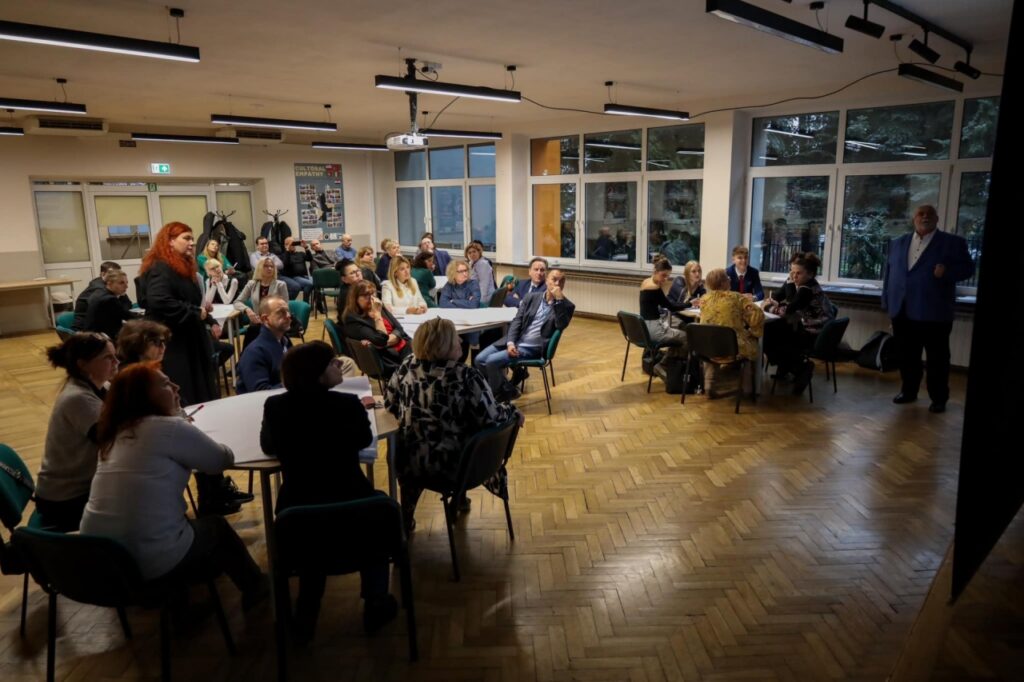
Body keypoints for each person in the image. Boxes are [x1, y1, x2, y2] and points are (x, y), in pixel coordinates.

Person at [80, 363, 267, 609]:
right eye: (166, 384)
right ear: (145, 397)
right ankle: (256, 588)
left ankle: (182, 604)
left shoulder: (115, 432)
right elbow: (220, 460)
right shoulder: (167, 428)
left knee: (169, 520)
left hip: (99, 559)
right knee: (216, 527)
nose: (177, 387)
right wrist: (185, 425)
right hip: (146, 561)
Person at [260, 341, 396, 641]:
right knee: (381, 512)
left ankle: (306, 610)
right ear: (318, 373)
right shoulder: (347, 404)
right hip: (355, 511)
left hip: (298, 516)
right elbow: (364, 440)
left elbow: (268, 446)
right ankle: (375, 601)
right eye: (333, 363)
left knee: (314, 545)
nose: (339, 365)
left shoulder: (275, 406)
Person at [138, 221, 249, 514]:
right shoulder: (162, 267)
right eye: (186, 238)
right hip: (179, 352)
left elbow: (188, 302)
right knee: (195, 414)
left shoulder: (179, 266)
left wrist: (206, 317)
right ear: (169, 240)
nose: (191, 243)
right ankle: (211, 494)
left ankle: (215, 488)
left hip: (191, 346)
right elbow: (158, 301)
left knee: (205, 413)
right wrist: (195, 312)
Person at [385, 317, 523, 531]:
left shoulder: (407, 366)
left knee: (429, 439)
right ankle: (457, 497)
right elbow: (492, 418)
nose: (460, 341)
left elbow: (389, 403)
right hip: (455, 467)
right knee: (467, 433)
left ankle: (407, 517)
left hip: (411, 461)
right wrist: (513, 412)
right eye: (454, 338)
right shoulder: (465, 376)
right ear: (442, 345)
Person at [882, 204, 974, 413]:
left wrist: (947, 272)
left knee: (937, 359)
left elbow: (968, 268)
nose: (925, 217)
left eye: (929, 214)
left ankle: (939, 398)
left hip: (935, 312)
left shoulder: (952, 243)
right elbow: (888, 274)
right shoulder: (898, 242)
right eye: (920, 214)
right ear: (914, 218)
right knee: (907, 356)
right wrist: (887, 301)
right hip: (902, 311)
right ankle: (908, 391)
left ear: (937, 218)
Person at [34, 332, 119, 531]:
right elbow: (115, 441)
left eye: (115, 356)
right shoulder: (78, 398)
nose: (116, 362)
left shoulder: (99, 386)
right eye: (108, 357)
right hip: (64, 499)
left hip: (78, 488)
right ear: (83, 364)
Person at [475, 269, 575, 401]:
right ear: (546, 280)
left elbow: (561, 325)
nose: (557, 284)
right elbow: (517, 321)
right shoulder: (531, 298)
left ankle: (495, 397)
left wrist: (559, 301)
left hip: (532, 348)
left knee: (491, 361)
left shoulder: (567, 306)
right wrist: (510, 342)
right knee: (479, 359)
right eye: (554, 279)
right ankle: (506, 390)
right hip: (515, 341)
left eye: (561, 281)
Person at [763, 252, 834, 395]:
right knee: (771, 329)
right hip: (806, 327)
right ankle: (787, 366)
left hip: (815, 334)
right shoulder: (799, 282)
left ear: (810, 274)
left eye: (798, 273)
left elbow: (789, 309)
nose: (794, 276)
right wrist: (774, 300)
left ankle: (800, 368)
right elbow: (779, 295)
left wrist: (769, 307)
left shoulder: (807, 289)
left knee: (770, 334)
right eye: (792, 272)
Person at [699, 268, 765, 398]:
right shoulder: (736, 297)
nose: (729, 279)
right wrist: (753, 330)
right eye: (727, 277)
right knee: (752, 343)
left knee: (715, 344)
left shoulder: (704, 299)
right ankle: (747, 388)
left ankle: (708, 386)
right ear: (722, 283)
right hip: (732, 347)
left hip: (708, 346)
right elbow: (757, 316)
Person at [342, 280, 411, 377]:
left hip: (404, 347)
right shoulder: (353, 320)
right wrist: (377, 315)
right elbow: (381, 340)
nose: (372, 298)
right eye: (366, 295)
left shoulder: (378, 307)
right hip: (391, 359)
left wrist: (393, 338)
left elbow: (399, 328)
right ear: (355, 299)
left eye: (373, 294)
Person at [639, 257, 691, 383]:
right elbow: (671, 306)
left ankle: (666, 364)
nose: (665, 279)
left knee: (678, 334)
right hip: (654, 331)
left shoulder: (646, 282)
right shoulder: (654, 288)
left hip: (645, 328)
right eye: (663, 275)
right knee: (687, 337)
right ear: (655, 271)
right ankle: (663, 365)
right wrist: (690, 304)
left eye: (668, 276)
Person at [236, 296, 292, 394]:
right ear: (265, 319)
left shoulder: (285, 342)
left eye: (288, 311)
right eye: (281, 312)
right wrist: (295, 384)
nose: (288, 316)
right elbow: (260, 393)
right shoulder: (254, 352)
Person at [235, 256, 289, 346]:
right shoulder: (252, 284)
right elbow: (237, 301)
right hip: (256, 323)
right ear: (259, 268)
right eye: (266, 266)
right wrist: (248, 310)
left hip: (274, 323)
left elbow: (285, 307)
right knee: (250, 343)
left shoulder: (280, 285)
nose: (269, 268)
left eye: (272, 266)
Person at [439, 260, 482, 362]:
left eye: (466, 270)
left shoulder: (473, 284)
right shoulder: (449, 285)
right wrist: (465, 302)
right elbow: (443, 304)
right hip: (455, 321)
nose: (465, 273)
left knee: (470, 339)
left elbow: (473, 305)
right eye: (461, 271)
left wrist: (453, 301)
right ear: (453, 274)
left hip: (471, 322)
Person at [83, 269, 132, 341]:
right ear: (109, 283)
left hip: (90, 335)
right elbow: (127, 316)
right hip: (100, 340)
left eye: (126, 282)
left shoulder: (99, 292)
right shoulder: (110, 299)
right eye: (121, 283)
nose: (126, 286)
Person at [72, 260, 120, 331]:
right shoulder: (99, 288)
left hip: (96, 325)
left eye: (119, 274)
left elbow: (125, 306)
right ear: (103, 274)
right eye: (112, 275)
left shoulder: (106, 284)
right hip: (84, 330)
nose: (117, 277)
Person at [280, 236, 314, 301]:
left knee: (317, 282)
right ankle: (305, 302)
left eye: (293, 243)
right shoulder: (284, 255)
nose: (292, 245)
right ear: (285, 245)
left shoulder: (300, 254)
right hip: (294, 277)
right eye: (290, 244)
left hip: (304, 276)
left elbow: (310, 258)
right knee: (309, 284)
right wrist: (287, 250)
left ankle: (317, 303)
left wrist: (306, 247)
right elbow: (286, 263)